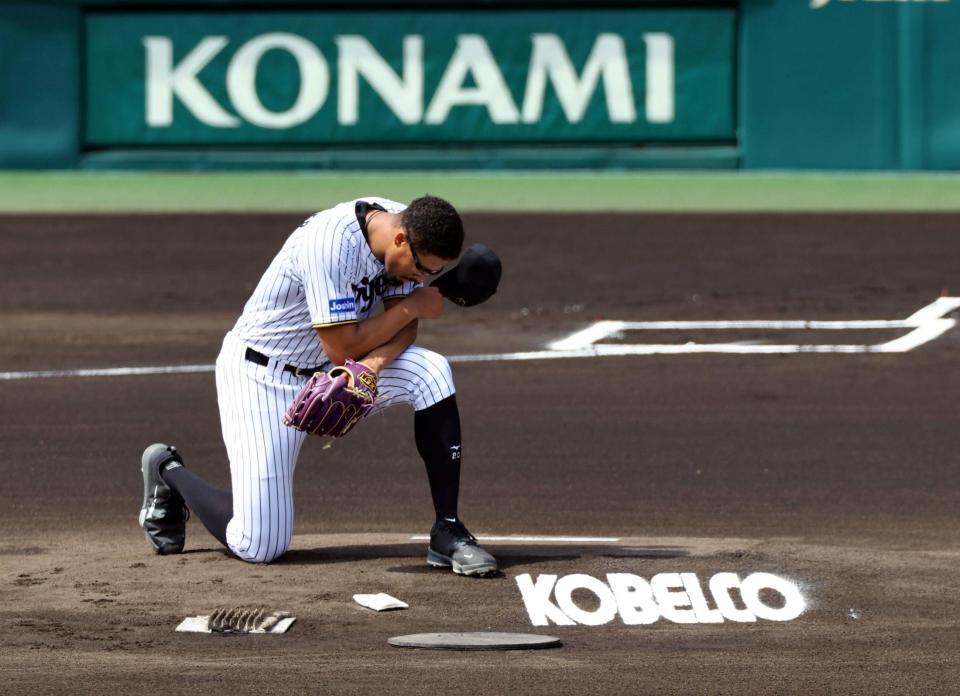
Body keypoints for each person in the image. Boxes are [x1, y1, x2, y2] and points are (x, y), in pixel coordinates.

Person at [138, 195, 498, 577]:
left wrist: (374, 365)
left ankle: (448, 529)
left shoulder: (407, 228)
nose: (422, 279)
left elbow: (401, 329)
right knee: (259, 544)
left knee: (432, 372)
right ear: (399, 241)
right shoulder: (330, 244)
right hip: (263, 376)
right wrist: (413, 307)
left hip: (334, 371)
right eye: (422, 268)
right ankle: (168, 472)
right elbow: (344, 345)